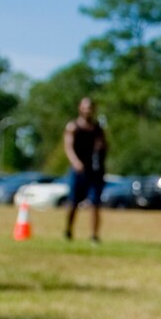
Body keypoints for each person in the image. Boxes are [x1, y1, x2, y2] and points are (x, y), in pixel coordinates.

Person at [62, 95, 107, 245]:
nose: (88, 110)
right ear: (80, 108)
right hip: (78, 170)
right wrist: (75, 162)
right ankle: (68, 230)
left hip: (94, 171)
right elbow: (68, 147)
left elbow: (104, 146)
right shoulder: (73, 126)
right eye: (85, 107)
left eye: (91, 107)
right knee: (73, 202)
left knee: (95, 203)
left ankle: (94, 236)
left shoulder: (97, 129)